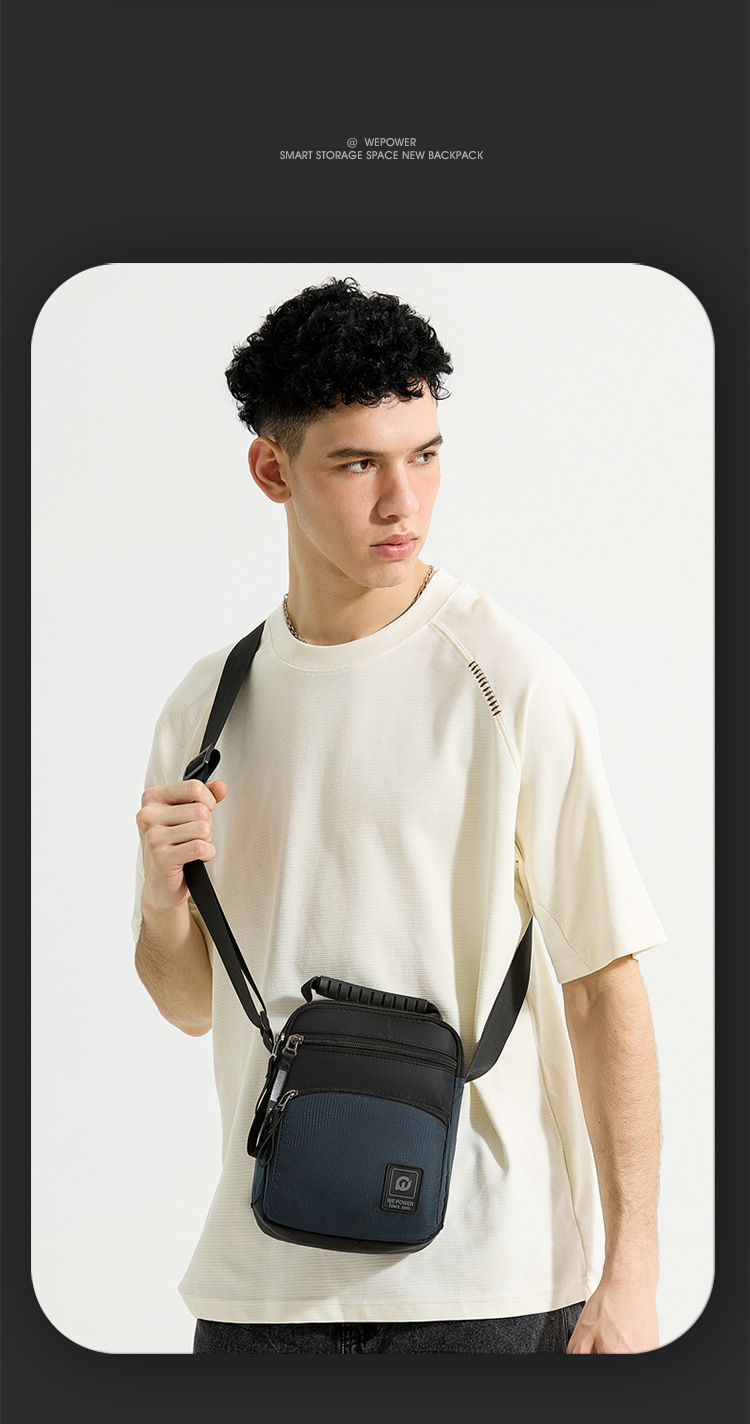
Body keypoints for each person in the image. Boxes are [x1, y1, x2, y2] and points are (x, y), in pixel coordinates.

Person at [133, 276, 666, 1355]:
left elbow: (604, 982)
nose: (403, 503)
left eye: (424, 456)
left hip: (485, 1285)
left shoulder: (507, 678)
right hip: (259, 1288)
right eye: (357, 464)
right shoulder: (208, 706)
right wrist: (161, 897)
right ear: (272, 469)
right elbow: (191, 1005)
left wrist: (634, 1271)